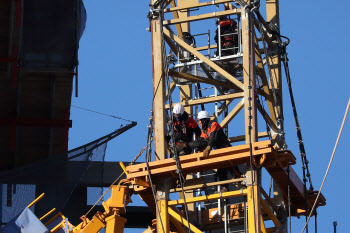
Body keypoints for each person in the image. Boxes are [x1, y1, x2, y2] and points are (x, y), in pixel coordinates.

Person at [188, 110, 241, 191]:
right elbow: (201, 141)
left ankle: (242, 182)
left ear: (204, 120)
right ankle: (225, 187)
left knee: (232, 169)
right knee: (220, 172)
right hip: (219, 153)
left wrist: (208, 147)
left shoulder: (213, 124)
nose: (199, 123)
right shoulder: (205, 131)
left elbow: (213, 138)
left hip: (226, 150)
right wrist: (189, 145)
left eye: (200, 121)